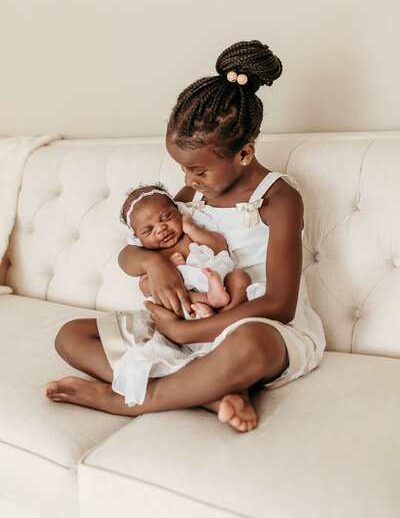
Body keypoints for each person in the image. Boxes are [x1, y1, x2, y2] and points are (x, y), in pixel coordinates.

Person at [44, 39, 326, 433]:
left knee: (251, 346)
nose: (187, 182)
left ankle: (132, 399)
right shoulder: (194, 194)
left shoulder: (279, 198)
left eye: (198, 171)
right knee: (71, 336)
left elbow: (281, 304)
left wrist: (184, 331)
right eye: (183, 169)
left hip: (255, 324)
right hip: (192, 321)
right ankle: (211, 393)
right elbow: (132, 254)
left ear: (244, 153)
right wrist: (152, 263)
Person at [111, 182, 252, 406]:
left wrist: (193, 230)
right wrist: (166, 265)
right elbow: (145, 284)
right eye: (148, 230)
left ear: (179, 212)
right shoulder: (151, 254)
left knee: (242, 279)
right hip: (185, 303)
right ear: (138, 238)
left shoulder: (193, 232)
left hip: (218, 285)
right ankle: (207, 304)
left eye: (166, 218)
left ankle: (222, 312)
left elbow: (219, 246)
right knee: (149, 288)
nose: (160, 229)